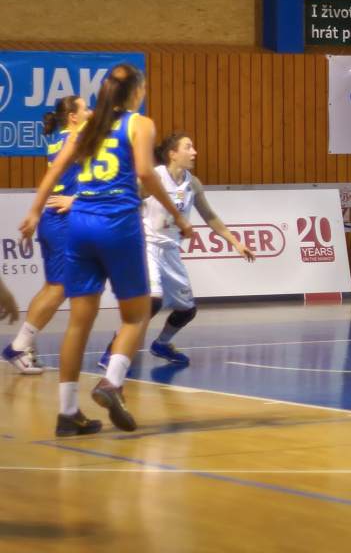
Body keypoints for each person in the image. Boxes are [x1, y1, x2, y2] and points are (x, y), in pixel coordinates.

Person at [19, 64, 193, 437]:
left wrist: (34, 211)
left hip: (79, 224)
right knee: (136, 314)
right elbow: (145, 173)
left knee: (78, 322)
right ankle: (111, 382)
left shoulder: (86, 126)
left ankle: (68, 413)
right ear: (137, 91)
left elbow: (55, 169)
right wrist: (177, 214)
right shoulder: (139, 123)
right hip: (117, 224)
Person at [97, 132, 255, 370]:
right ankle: (113, 350)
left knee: (187, 310)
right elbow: (122, 199)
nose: (194, 152)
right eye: (188, 147)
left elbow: (209, 216)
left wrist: (236, 242)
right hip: (147, 246)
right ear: (172, 154)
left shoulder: (192, 183)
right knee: (152, 301)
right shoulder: (153, 177)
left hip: (171, 250)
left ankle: (161, 344)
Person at [4, 96, 90, 373]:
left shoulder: (60, 139)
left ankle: (25, 346)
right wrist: (76, 199)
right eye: (85, 108)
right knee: (61, 288)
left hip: (54, 218)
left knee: (51, 287)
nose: (90, 111)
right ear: (73, 117)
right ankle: (18, 346)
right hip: (62, 218)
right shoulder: (75, 139)